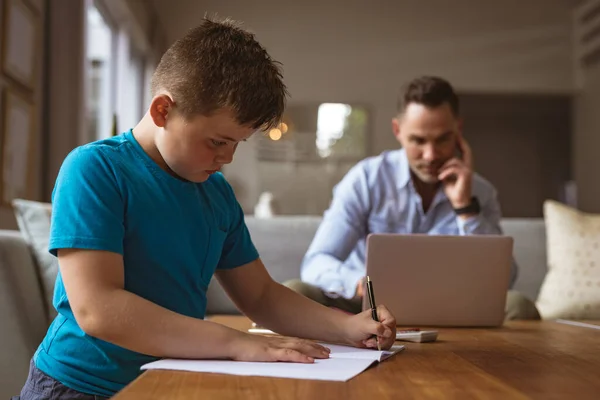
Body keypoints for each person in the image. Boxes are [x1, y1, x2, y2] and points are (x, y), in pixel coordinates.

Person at [16, 18, 397, 400]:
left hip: (168, 381)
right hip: (79, 386)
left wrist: (348, 327)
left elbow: (261, 296)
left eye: (237, 144)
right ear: (163, 110)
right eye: (217, 141)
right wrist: (236, 343)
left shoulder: (216, 193)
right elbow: (98, 309)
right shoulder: (95, 169)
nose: (227, 158)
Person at [284, 76, 540, 321]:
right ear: (397, 130)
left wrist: (465, 207)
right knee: (295, 291)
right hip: (366, 303)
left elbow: (505, 280)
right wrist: (358, 283)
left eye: (442, 139)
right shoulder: (365, 179)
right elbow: (316, 262)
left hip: (448, 306)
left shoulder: (480, 192)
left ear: (458, 130)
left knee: (519, 305)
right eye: (418, 140)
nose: (430, 155)